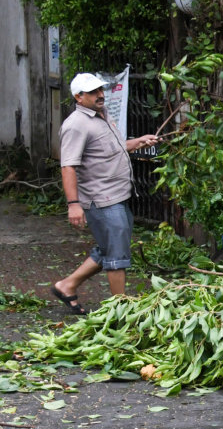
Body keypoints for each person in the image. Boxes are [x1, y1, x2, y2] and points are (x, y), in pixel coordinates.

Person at [51, 73, 160, 315]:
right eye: (92, 92)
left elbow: (114, 147)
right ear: (78, 97)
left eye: (100, 90)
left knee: (109, 248)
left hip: (118, 196)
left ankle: (66, 285)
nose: (100, 95)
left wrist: (138, 142)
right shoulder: (75, 125)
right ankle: (120, 312)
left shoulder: (102, 115)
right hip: (101, 199)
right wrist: (73, 204)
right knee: (117, 256)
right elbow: (68, 166)